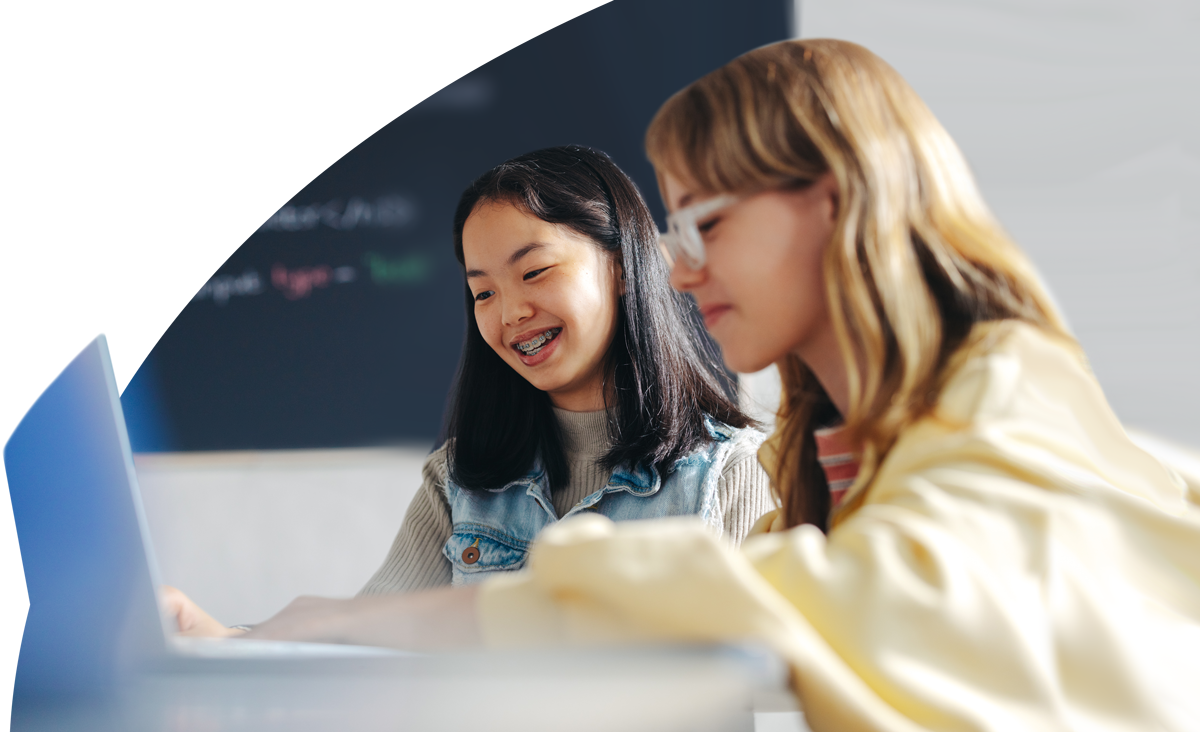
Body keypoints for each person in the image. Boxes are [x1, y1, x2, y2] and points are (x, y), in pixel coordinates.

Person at [176, 41, 1200, 731]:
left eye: (708, 225)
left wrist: (373, 619)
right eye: (481, 289)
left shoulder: (1006, 390)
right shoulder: (829, 443)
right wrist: (247, 641)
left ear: (836, 205)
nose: (685, 264)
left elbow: (849, 603)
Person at [165, 145, 772, 633]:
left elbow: (764, 668)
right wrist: (213, 638)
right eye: (483, 292)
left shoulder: (734, 472)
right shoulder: (458, 481)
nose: (509, 313)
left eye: (534, 272)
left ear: (621, 267)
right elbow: (363, 641)